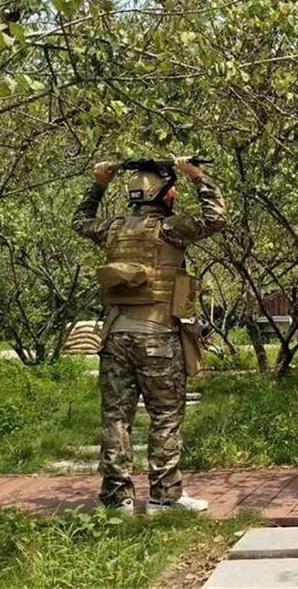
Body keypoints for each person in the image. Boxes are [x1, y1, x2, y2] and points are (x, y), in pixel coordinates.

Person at [72, 157, 226, 514]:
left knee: (116, 418)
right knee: (166, 416)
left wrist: (99, 183)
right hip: (158, 337)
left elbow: (79, 220)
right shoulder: (171, 228)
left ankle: (116, 499)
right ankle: (164, 496)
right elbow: (216, 217)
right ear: (166, 194)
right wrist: (198, 176)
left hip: (115, 338)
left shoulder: (112, 228)